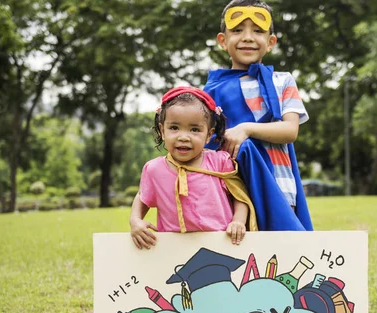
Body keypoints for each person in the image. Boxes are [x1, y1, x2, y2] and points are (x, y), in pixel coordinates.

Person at [203, 0, 313, 231]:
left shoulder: (282, 81)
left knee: (282, 255)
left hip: (279, 184)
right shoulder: (210, 91)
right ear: (222, 41)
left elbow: (290, 131)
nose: (248, 37)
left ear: (271, 42)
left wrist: (246, 128)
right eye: (237, 30)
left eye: (258, 31)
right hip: (230, 190)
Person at [130, 86, 257, 249]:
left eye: (195, 129)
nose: (183, 137)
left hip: (221, 244)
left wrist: (238, 221)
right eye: (174, 128)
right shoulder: (154, 169)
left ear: (208, 135)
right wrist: (135, 220)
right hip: (173, 249)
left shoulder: (219, 162)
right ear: (162, 130)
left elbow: (239, 195)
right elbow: (143, 197)